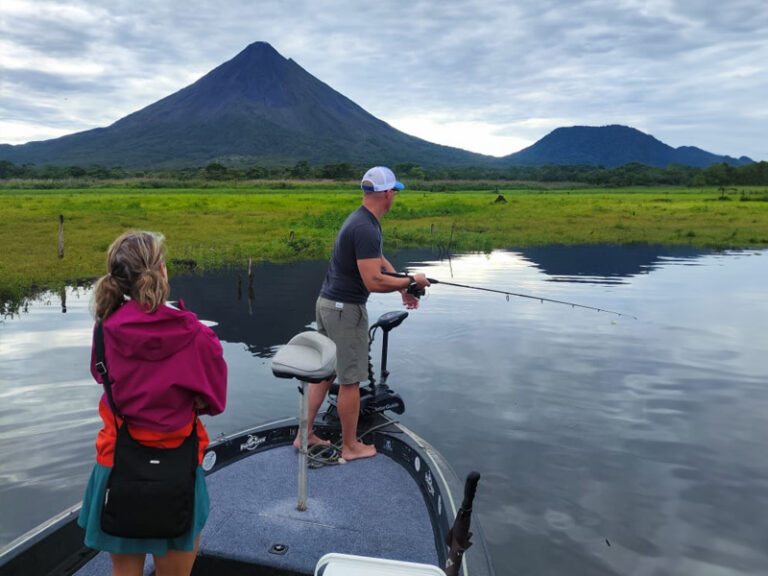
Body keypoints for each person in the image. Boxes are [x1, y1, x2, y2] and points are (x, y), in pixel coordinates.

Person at [77, 231, 227, 576]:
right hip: (176, 466)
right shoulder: (196, 335)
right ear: (161, 269)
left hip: (117, 464)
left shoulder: (104, 328)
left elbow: (102, 377)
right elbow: (214, 401)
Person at [293, 166, 430, 461]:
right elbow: (373, 280)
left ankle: (303, 435)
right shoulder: (366, 227)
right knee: (350, 380)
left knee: (325, 374)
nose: (394, 195)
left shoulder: (362, 220)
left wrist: (402, 285)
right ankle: (351, 446)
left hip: (328, 304)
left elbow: (377, 262)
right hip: (346, 310)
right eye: (393, 190)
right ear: (385, 194)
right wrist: (411, 281)